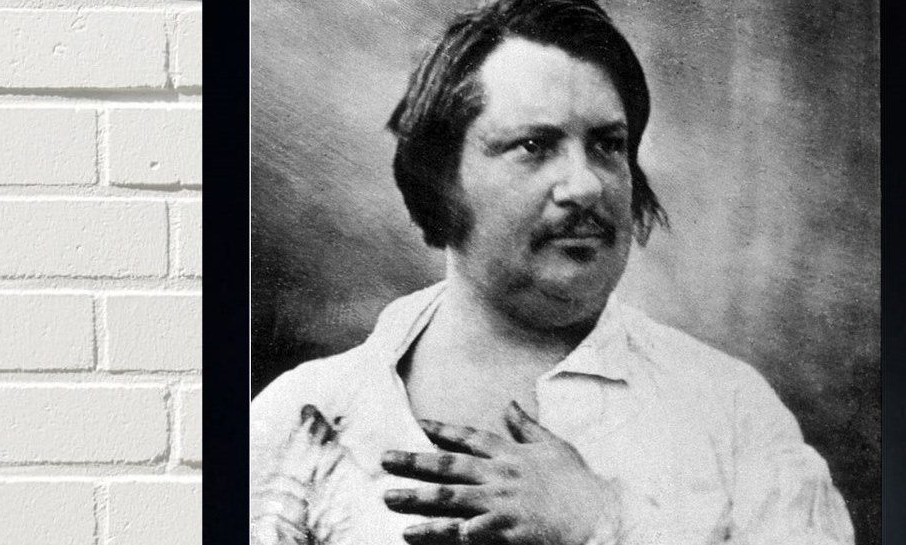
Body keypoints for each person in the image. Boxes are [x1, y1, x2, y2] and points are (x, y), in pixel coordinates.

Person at [250, 1, 854, 543]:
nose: (586, 185)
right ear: (441, 183)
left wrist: (604, 522)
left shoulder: (729, 410)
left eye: (607, 145)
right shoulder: (309, 416)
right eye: (535, 146)